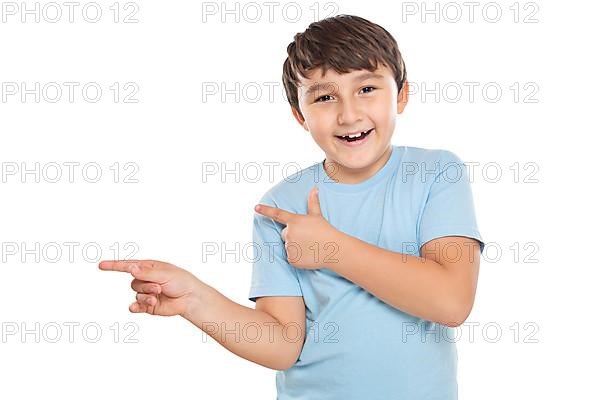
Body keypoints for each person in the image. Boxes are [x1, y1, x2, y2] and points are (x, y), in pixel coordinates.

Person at [99, 14, 485, 399]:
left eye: (367, 88)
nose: (349, 114)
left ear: (401, 94)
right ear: (300, 115)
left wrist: (332, 250)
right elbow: (283, 344)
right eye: (324, 97)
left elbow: (450, 302)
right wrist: (196, 300)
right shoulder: (280, 206)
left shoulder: (437, 173)